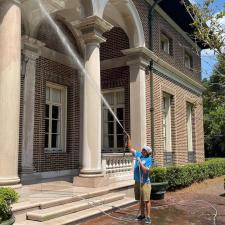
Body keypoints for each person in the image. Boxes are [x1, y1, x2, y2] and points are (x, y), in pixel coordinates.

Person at [127, 135, 153, 224]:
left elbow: (145, 171)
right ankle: (142, 215)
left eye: (144, 150)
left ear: (147, 153)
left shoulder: (149, 159)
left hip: (145, 183)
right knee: (141, 200)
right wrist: (129, 138)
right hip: (137, 182)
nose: (142, 151)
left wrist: (140, 162)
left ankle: (148, 217)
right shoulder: (138, 154)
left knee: (146, 200)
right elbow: (130, 148)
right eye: (142, 149)